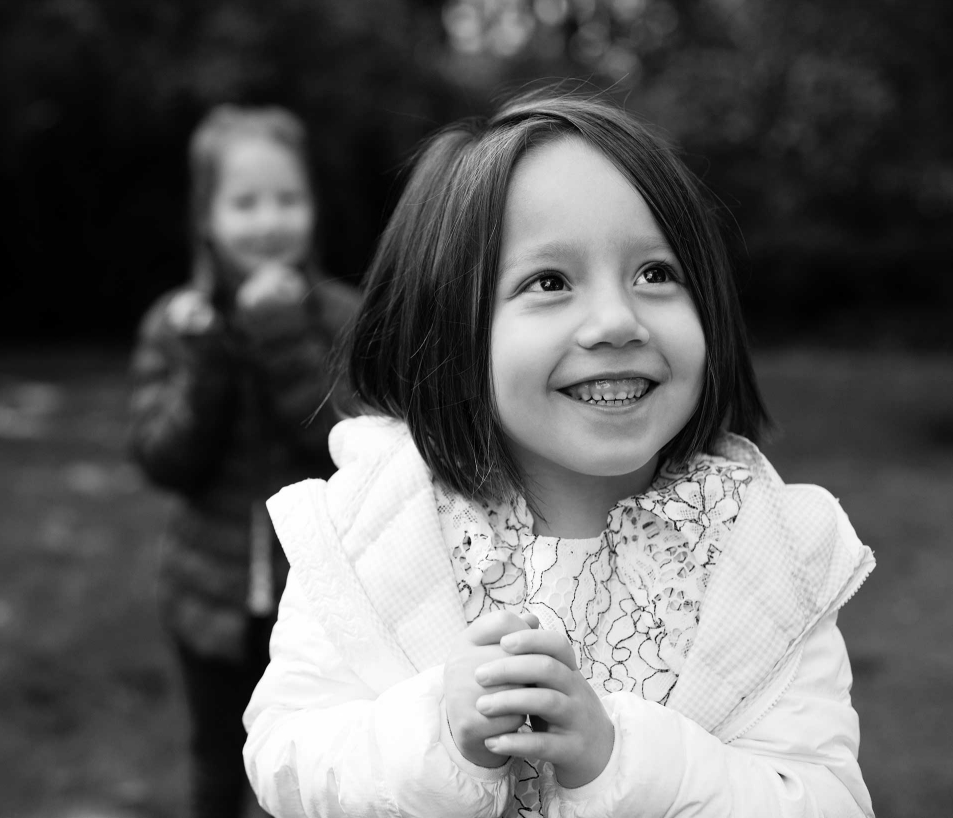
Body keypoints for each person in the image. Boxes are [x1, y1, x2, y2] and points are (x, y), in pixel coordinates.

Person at [242, 90, 876, 818]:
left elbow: (826, 798)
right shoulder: (369, 530)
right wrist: (439, 733)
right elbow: (286, 758)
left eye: (655, 274)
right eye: (550, 282)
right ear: (449, 330)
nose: (616, 321)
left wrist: (621, 761)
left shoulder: (767, 552)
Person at [127, 104, 358, 818]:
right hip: (208, 599)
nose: (269, 221)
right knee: (218, 765)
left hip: (321, 603)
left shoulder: (345, 316)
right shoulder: (178, 324)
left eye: (288, 199)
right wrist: (205, 367)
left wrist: (283, 336)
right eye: (246, 202)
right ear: (208, 216)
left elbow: (354, 448)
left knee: (315, 776)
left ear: (313, 208)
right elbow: (163, 460)